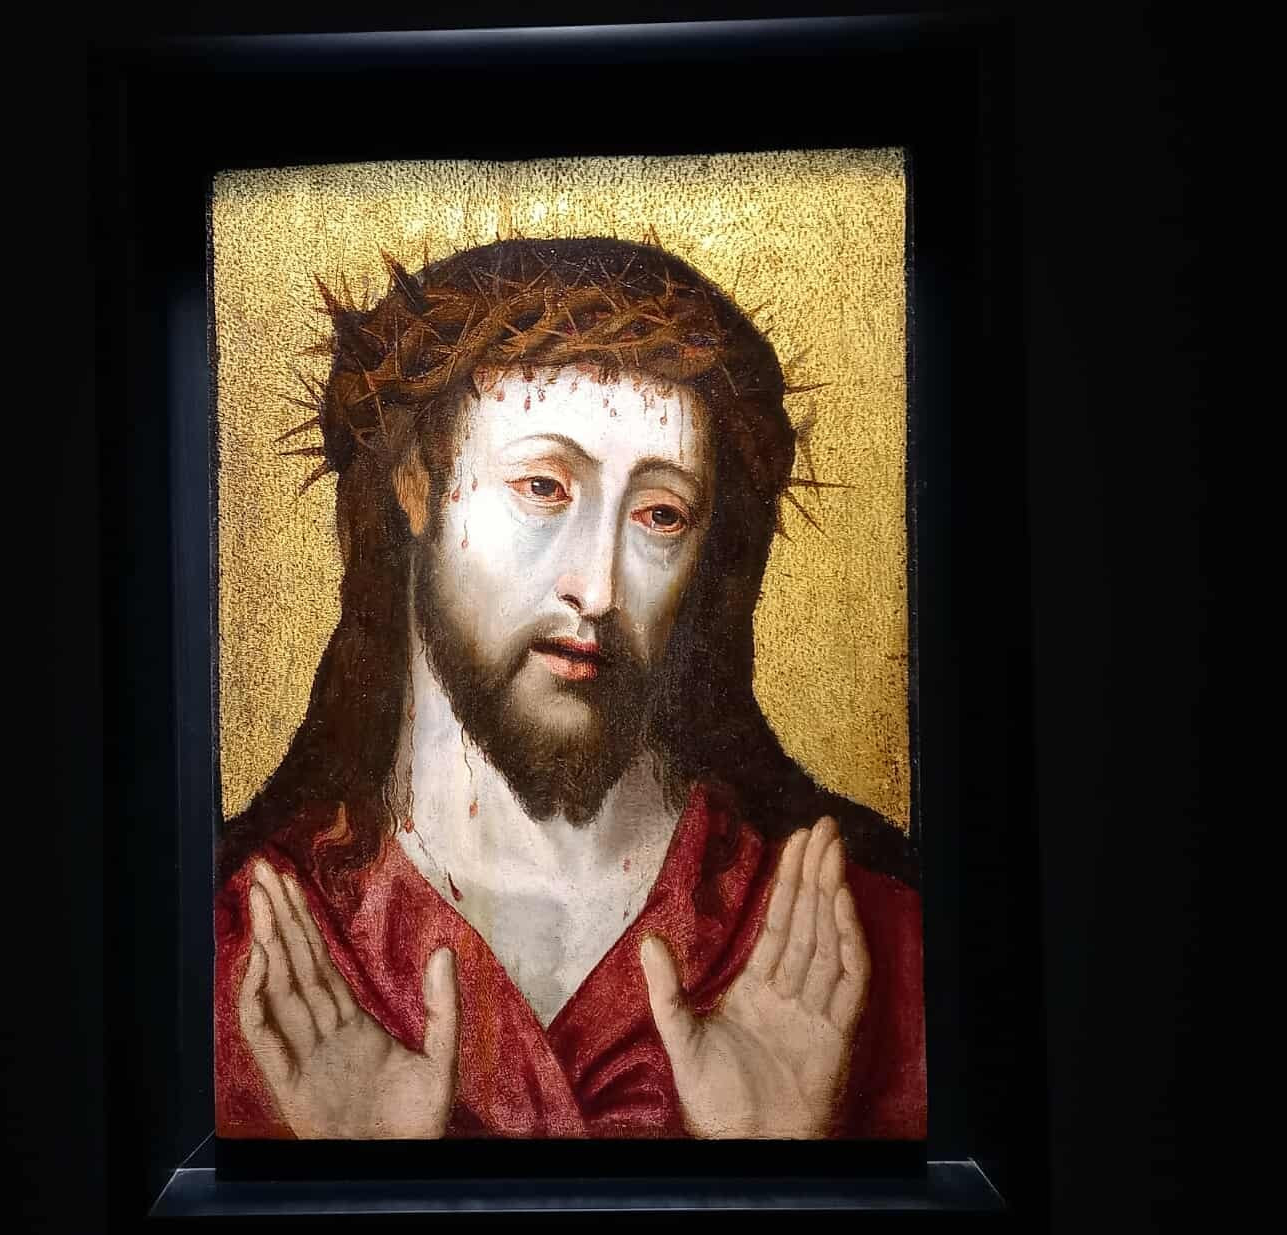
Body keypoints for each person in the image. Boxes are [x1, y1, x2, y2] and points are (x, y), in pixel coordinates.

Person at [214, 236, 925, 1140]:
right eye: (545, 487)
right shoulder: (244, 952)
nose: (599, 587)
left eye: (660, 513)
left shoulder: (867, 943)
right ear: (417, 484)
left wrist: (778, 1156)